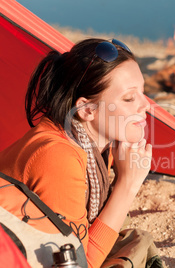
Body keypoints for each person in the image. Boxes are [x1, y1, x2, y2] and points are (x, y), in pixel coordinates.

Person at [0, 38, 163, 268]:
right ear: (87, 110)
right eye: (129, 98)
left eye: (143, 93)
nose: (145, 105)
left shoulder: (96, 146)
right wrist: (127, 185)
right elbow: (80, 262)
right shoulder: (58, 156)